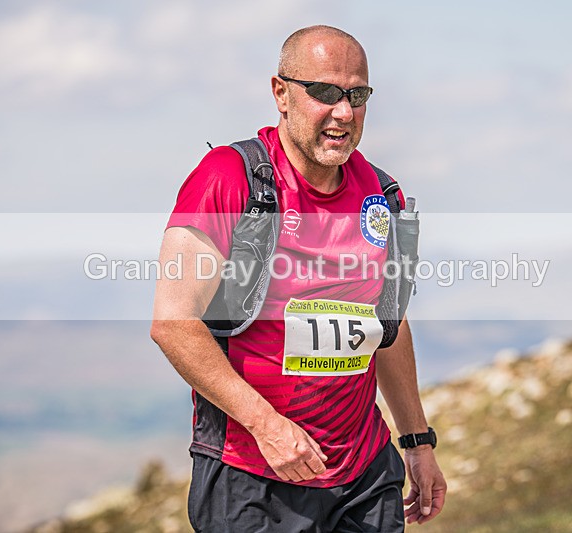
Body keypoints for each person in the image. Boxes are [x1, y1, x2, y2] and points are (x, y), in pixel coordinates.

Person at [151, 25, 446, 532]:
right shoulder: (228, 176)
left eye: (357, 95)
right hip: (253, 475)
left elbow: (387, 328)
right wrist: (267, 426)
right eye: (326, 93)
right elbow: (174, 323)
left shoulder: (382, 194)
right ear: (281, 93)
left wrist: (417, 442)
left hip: (364, 476)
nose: (344, 112)